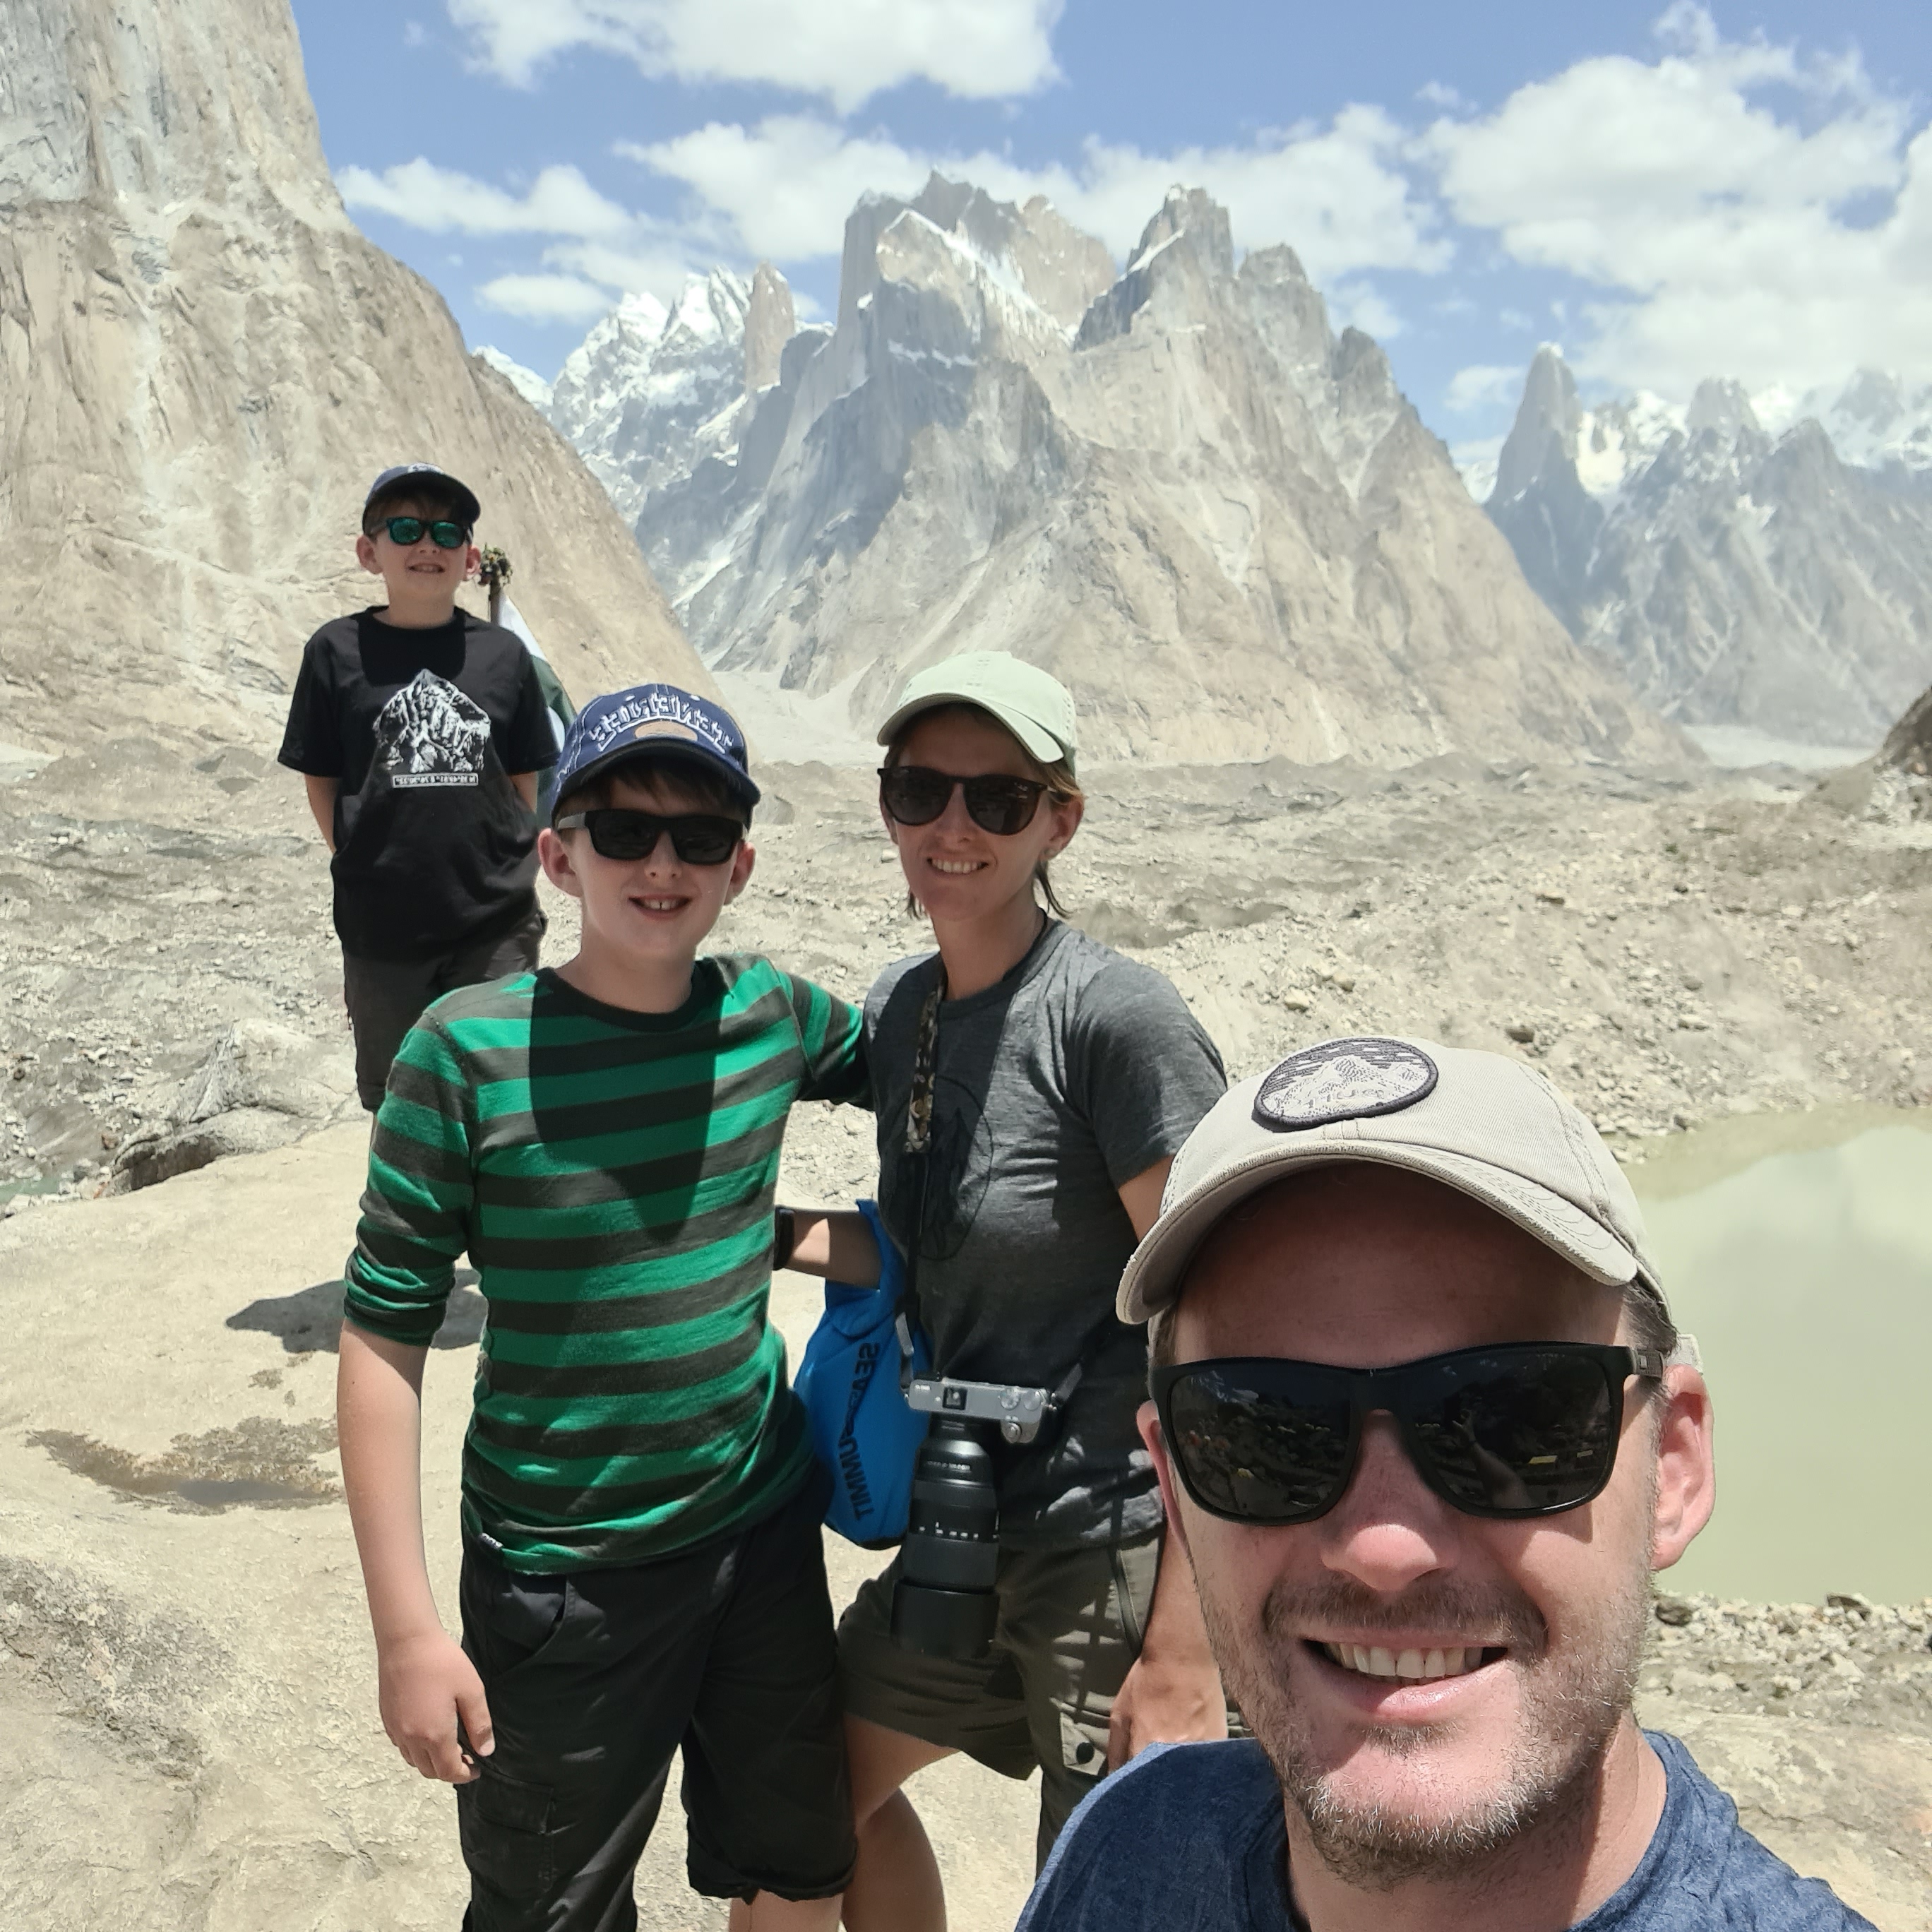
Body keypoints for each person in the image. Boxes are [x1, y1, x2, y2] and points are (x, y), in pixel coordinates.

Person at [1018, 1035, 1877, 1931]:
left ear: (1673, 1468)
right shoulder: (1126, 1843)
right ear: (1177, 1491)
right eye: (1263, 1432)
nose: (1384, 1549)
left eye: (1512, 1420)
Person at [334, 684, 869, 1932]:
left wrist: (799, 1239)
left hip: (760, 1540)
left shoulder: (771, 1014)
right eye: (621, 831)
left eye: (695, 834)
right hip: (560, 1577)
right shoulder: (462, 1054)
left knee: (793, 1864)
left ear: (740, 862)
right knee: (548, 1908)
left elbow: (939, 1060)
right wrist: (406, 1631)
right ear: (557, 856)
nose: (660, 861)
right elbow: (381, 1340)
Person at [784, 652, 1233, 1927]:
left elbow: (1217, 1327)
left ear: (1060, 818)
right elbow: (929, 1253)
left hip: (1115, 1550)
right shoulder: (905, 1010)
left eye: (997, 798)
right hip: (958, 1528)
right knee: (800, 1798)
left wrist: (1189, 1646)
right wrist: (749, 1235)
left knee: (1100, 1897)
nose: (950, 827)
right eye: (919, 791)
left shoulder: (1116, 1023)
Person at [278, 463, 556, 1113]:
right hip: (382, 930)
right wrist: (360, 852)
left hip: (496, 926)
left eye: (446, 530)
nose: (427, 544)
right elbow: (321, 774)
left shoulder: (504, 658)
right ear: (368, 552)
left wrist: (499, 860)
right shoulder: (334, 652)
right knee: (401, 1101)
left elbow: (524, 778)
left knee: (502, 1092)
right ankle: (411, 1217)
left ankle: (499, 1216)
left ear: (470, 557)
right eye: (405, 528)